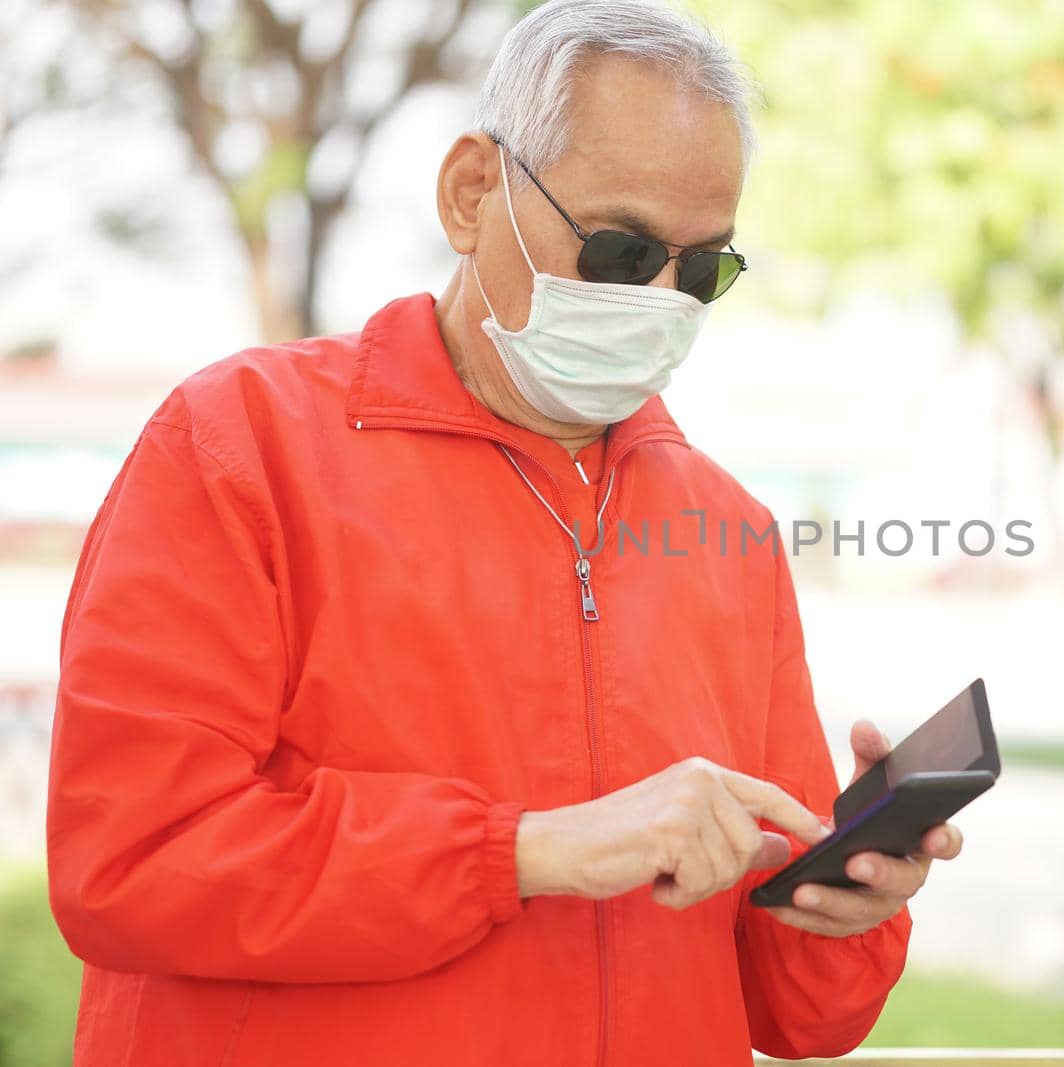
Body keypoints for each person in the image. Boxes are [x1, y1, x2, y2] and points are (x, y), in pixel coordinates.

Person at [44, 1, 964, 1064]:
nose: (665, 299)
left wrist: (846, 899)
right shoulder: (239, 446)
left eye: (704, 266)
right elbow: (132, 860)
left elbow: (801, 1016)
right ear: (473, 192)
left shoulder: (731, 532)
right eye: (622, 249)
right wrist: (522, 851)